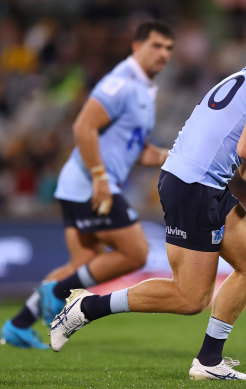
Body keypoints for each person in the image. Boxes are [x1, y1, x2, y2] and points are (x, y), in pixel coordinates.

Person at [49, 11, 246, 381]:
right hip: (193, 186)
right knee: (189, 299)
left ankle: (209, 361)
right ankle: (86, 306)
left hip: (200, 181)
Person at [0, 21, 174, 349]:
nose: (163, 53)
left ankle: (19, 324)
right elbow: (83, 127)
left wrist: (173, 155)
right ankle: (54, 292)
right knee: (135, 252)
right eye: (156, 46)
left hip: (88, 182)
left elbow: (139, 150)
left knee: (81, 267)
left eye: (168, 48)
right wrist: (98, 177)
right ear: (136, 47)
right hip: (90, 183)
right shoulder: (121, 82)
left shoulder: (146, 91)